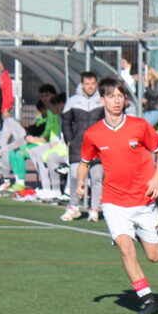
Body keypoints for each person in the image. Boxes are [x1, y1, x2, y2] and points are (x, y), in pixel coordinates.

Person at [76, 77, 158, 314]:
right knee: (126, 248)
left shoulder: (140, 126)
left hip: (143, 201)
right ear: (102, 100)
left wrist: (156, 179)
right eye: (111, 96)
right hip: (114, 202)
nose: (116, 101)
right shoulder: (93, 134)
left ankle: (137, 231)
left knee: (154, 257)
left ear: (126, 99)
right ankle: (148, 300)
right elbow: (84, 162)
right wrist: (81, 182)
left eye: (120, 96)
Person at [61, 72, 105, 221]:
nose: (90, 87)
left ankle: (94, 209)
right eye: (87, 84)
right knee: (75, 175)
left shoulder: (102, 100)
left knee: (97, 177)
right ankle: (73, 207)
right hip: (78, 145)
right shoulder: (73, 101)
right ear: (82, 85)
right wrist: (69, 140)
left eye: (93, 84)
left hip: (97, 146)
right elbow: (66, 122)